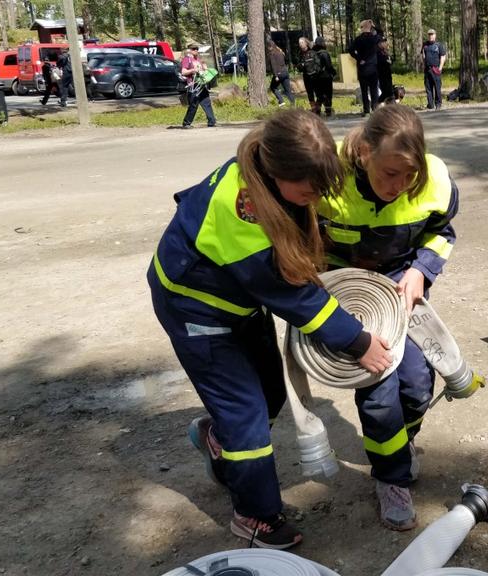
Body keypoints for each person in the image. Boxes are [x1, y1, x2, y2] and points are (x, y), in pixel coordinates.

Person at [148, 109, 394, 549]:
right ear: (277, 171)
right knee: (247, 418)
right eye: (309, 190)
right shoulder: (241, 212)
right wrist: (358, 342)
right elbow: (291, 294)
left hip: (238, 303)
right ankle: (255, 516)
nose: (316, 196)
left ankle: (215, 436)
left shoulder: (272, 168)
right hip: (198, 313)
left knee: (269, 393)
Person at [317, 105, 460, 531]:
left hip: (402, 290)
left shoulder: (434, 180)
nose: (398, 187)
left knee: (416, 385)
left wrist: (422, 270)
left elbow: (443, 232)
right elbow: (303, 240)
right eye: (389, 174)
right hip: (350, 295)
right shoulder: (330, 182)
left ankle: (402, 445)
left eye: (408, 175)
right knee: (379, 391)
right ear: (363, 152)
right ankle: (390, 478)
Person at [349, 20, 381, 116]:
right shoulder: (374, 38)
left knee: (364, 90)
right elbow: (381, 33)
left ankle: (366, 110)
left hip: (362, 68)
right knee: (374, 90)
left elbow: (350, 50)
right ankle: (375, 109)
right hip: (373, 68)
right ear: (370, 27)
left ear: (362, 28)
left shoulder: (358, 39)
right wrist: (374, 26)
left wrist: (359, 59)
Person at [181, 44, 217, 128]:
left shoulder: (198, 59)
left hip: (201, 84)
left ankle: (212, 121)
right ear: (189, 50)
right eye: (193, 49)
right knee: (194, 104)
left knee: (206, 102)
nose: (196, 50)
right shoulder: (187, 59)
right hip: (193, 85)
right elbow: (183, 72)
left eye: (197, 49)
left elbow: (202, 71)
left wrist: (205, 68)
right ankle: (186, 123)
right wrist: (193, 70)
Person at [421, 29, 447, 110]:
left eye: (432, 34)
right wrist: (424, 65)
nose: (430, 36)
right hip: (427, 69)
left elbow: (443, 56)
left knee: (437, 87)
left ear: (435, 35)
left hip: (436, 69)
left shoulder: (439, 45)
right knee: (428, 88)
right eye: (429, 34)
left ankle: (438, 104)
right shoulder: (425, 45)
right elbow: (423, 55)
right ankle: (430, 104)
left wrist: (440, 68)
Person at [312, 37, 336, 117]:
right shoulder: (324, 53)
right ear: (322, 43)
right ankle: (328, 111)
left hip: (315, 78)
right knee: (328, 94)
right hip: (325, 77)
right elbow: (328, 66)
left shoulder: (312, 53)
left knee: (319, 95)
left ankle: (317, 111)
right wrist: (334, 72)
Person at [267, 41, 295, 107]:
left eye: (268, 47)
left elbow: (273, 65)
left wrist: (276, 75)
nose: (268, 49)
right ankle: (293, 105)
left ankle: (281, 101)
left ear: (270, 47)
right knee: (288, 90)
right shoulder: (280, 52)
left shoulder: (272, 54)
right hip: (285, 72)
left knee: (273, 87)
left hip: (279, 73)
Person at [298, 38, 322, 114]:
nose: (300, 44)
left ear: (306, 43)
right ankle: (314, 109)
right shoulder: (300, 54)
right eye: (299, 43)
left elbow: (318, 63)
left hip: (315, 77)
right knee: (310, 93)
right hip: (306, 77)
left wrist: (316, 71)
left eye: (302, 42)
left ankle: (318, 107)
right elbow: (298, 66)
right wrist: (301, 66)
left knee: (318, 93)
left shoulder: (313, 52)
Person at [376, 38, 395, 105]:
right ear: (379, 44)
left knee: (388, 92)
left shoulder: (386, 52)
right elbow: (381, 62)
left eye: (385, 42)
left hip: (388, 75)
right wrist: (387, 62)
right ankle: (377, 104)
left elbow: (391, 60)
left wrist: (390, 61)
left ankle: (389, 105)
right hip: (382, 75)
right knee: (386, 92)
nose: (385, 44)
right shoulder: (378, 52)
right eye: (383, 42)